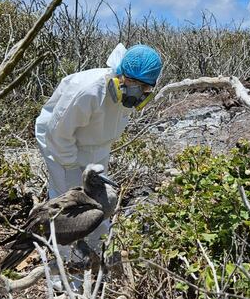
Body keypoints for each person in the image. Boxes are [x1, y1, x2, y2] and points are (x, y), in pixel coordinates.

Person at [34, 43, 162, 268]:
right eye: (131, 83)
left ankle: (96, 254)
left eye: (143, 87)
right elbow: (58, 133)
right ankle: (66, 268)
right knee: (68, 208)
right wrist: (72, 168)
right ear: (121, 75)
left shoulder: (130, 95)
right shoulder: (89, 90)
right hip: (62, 147)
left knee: (99, 203)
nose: (135, 91)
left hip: (96, 147)